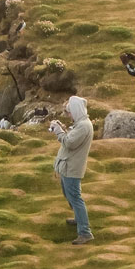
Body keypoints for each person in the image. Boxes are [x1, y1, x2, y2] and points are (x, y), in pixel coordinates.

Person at [49, 95, 94, 245]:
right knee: (70, 195)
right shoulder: (81, 124)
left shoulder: (83, 126)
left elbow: (69, 143)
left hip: (72, 168)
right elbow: (72, 138)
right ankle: (79, 219)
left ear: (75, 110)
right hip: (69, 167)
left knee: (75, 198)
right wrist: (62, 129)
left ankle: (85, 232)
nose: (69, 115)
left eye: (69, 112)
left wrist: (58, 131)